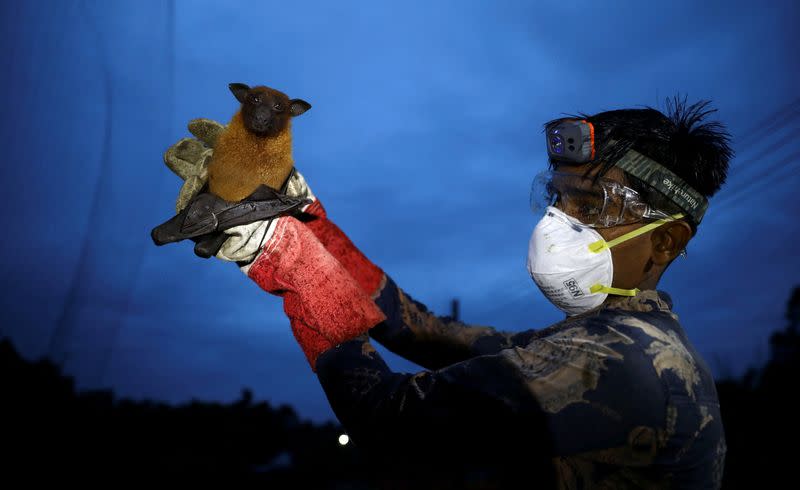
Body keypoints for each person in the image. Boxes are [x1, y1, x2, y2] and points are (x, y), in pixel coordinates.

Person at [154, 96, 732, 489]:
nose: (560, 221)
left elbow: (384, 417)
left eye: (591, 207)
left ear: (666, 242)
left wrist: (284, 257)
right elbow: (421, 330)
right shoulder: (610, 341)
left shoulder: (619, 362)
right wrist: (305, 218)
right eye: (558, 199)